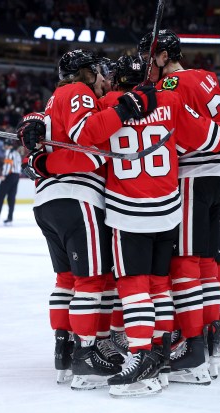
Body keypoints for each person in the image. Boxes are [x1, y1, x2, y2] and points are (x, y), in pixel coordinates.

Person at [25, 54, 220, 397]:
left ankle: (135, 354)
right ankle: (166, 351)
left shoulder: (107, 105)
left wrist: (41, 153)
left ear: (116, 82)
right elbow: (200, 139)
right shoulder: (169, 100)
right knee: (163, 283)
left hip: (127, 212)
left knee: (128, 285)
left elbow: (78, 134)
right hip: (169, 209)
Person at [16, 49, 157, 390]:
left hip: (47, 202)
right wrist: (127, 108)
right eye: (98, 71)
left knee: (66, 280)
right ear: (85, 72)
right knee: (91, 282)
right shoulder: (78, 92)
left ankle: (64, 351)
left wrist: (41, 161)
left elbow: (48, 143)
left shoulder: (53, 100)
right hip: (78, 198)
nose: (104, 77)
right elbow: (86, 140)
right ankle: (85, 355)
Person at [139, 29, 220, 380]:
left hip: (195, 179)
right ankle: (213, 339)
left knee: (186, 263)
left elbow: (188, 133)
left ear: (162, 57)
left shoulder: (169, 86)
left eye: (148, 60)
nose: (146, 68)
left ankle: (193, 345)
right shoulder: (206, 80)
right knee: (207, 263)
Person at [0, 140, 21, 225]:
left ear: (7, 145)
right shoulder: (17, 153)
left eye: (5, 145)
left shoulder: (9, 152)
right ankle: (10, 218)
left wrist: (4, 175)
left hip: (9, 175)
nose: (4, 147)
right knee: (11, 198)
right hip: (16, 176)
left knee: (0, 196)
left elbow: (8, 165)